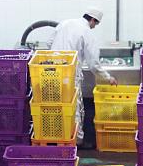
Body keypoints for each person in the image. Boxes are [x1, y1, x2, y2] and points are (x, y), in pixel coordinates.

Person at [50, 8, 118, 146]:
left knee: (55, 105)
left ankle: (54, 138)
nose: (94, 27)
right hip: (70, 73)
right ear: (92, 20)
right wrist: (107, 77)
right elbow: (93, 62)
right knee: (73, 107)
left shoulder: (65, 23)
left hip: (51, 71)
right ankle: (75, 141)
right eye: (95, 24)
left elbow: (49, 42)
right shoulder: (86, 32)